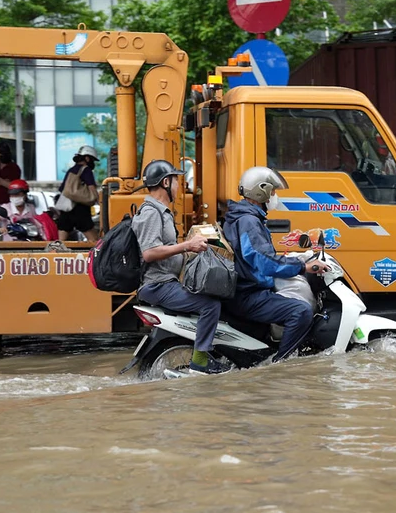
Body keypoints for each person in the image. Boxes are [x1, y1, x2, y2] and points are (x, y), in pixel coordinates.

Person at [222, 167, 328, 363]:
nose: (274, 196)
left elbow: (259, 255)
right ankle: (280, 365)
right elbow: (262, 259)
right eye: (273, 192)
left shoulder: (244, 216)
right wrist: (302, 266)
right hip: (248, 294)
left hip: (244, 288)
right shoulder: (248, 221)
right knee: (301, 312)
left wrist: (296, 257)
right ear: (261, 191)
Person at [132, 159, 228, 375]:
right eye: (176, 181)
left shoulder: (161, 211)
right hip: (158, 285)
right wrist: (187, 245)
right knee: (210, 305)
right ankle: (200, 362)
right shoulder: (151, 213)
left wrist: (191, 248)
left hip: (166, 282)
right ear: (166, 182)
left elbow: (164, 248)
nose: (179, 187)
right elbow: (149, 253)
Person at [57, 145, 99, 242]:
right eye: (92, 159)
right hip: (80, 209)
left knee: (61, 242)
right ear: (87, 158)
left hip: (66, 208)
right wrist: (98, 200)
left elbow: (62, 189)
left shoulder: (71, 170)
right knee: (94, 241)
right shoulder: (86, 170)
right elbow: (91, 187)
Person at [0, 141, 21, 207]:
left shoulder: (14, 168)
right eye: (0, 153)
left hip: (10, 204)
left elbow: (13, 186)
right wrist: (1, 182)